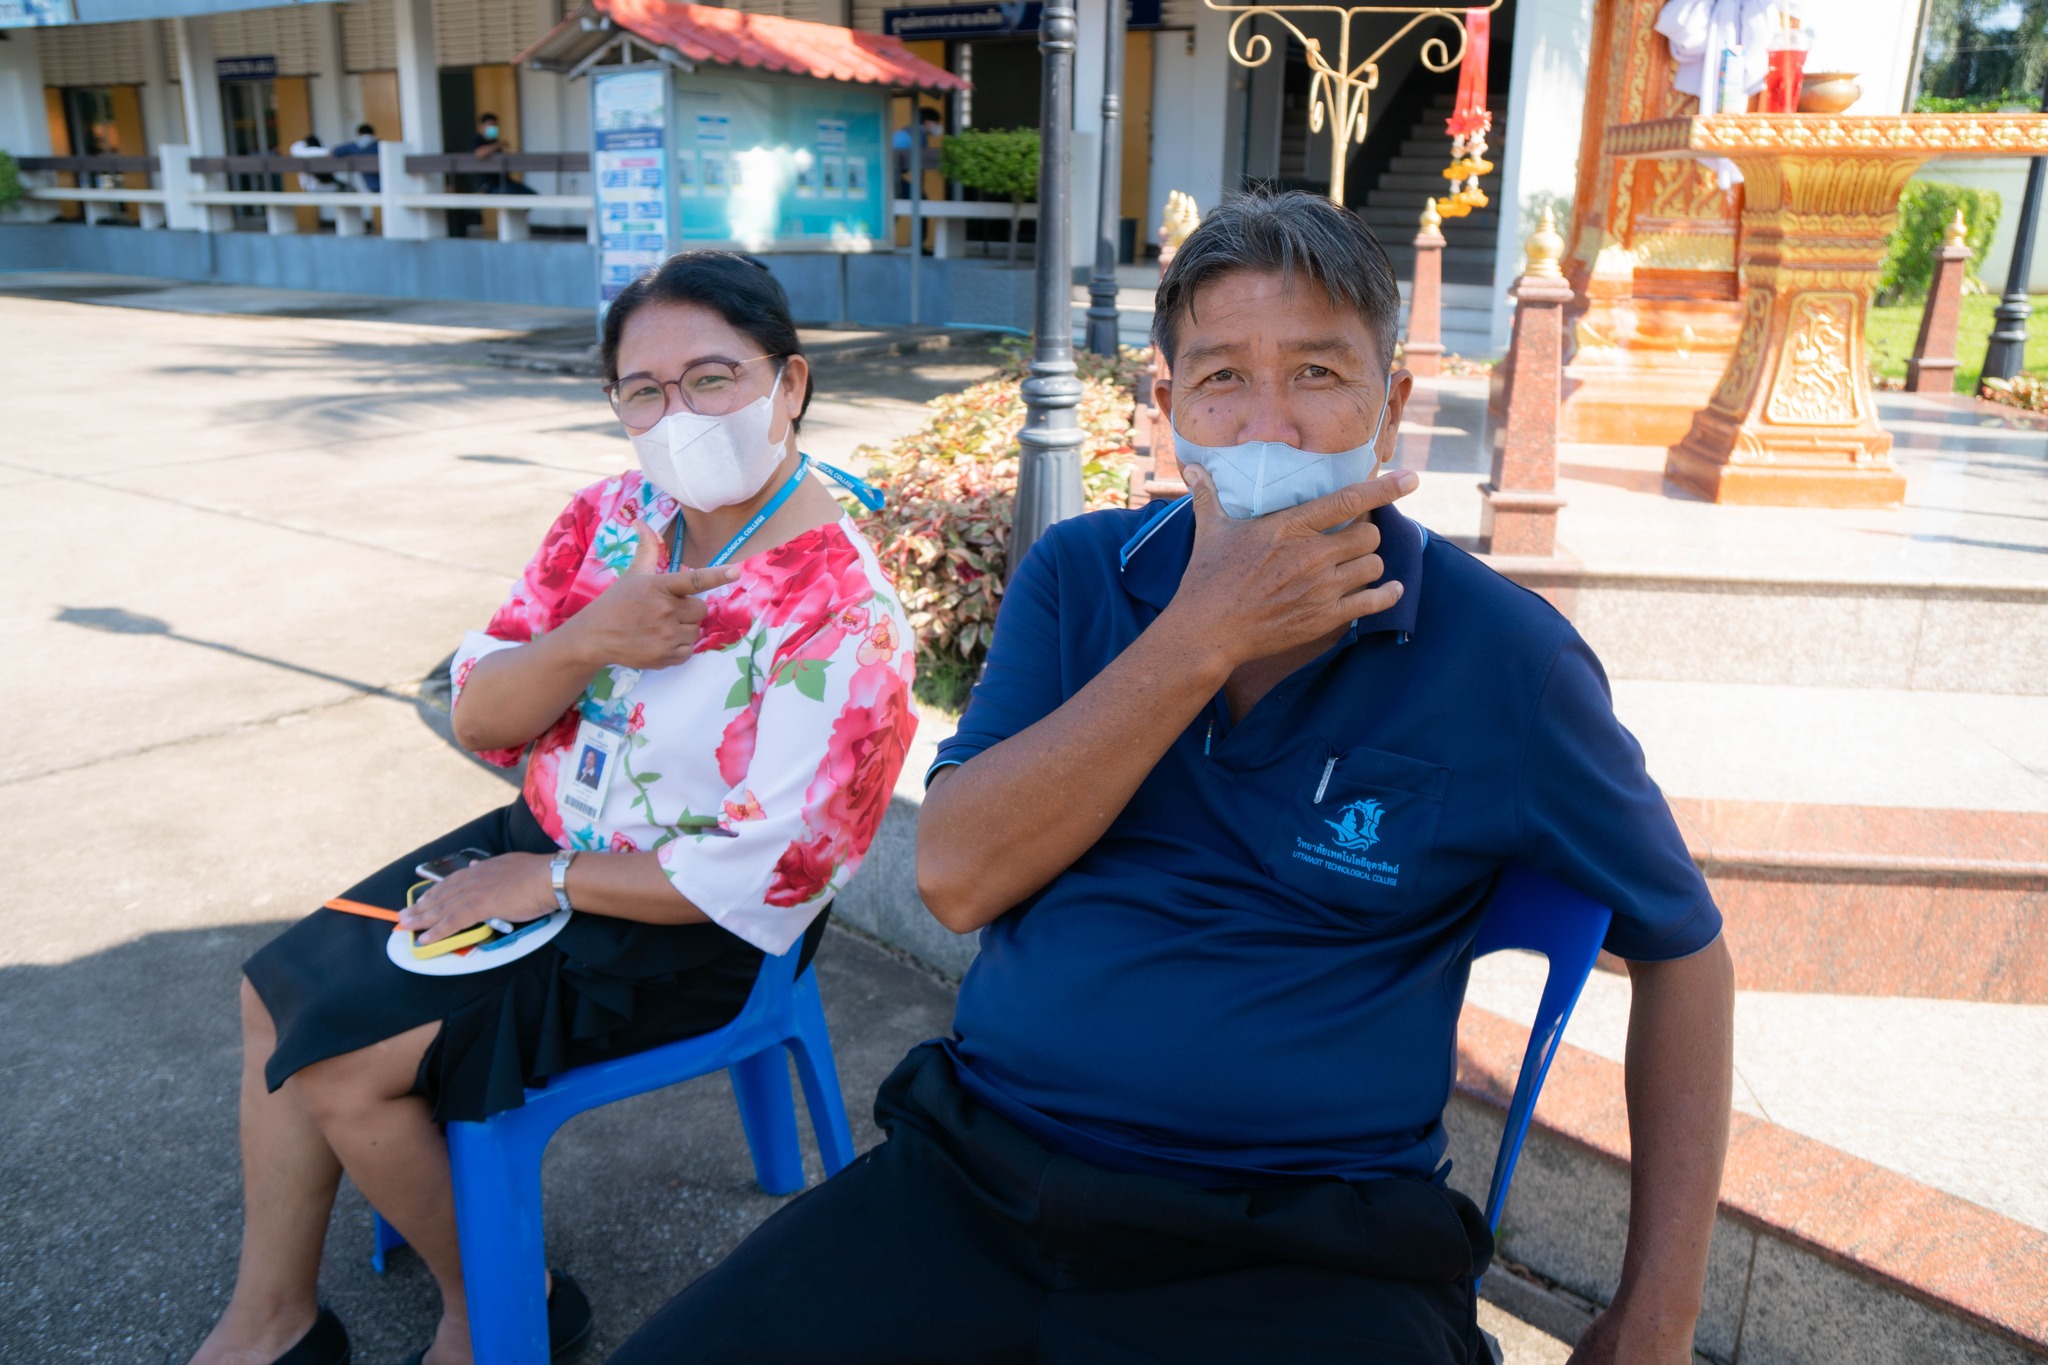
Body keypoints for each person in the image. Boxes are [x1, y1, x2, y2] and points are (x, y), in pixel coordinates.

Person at [610, 192, 1736, 1365]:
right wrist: (1200, 637)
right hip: (980, 1175)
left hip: (1306, 1244)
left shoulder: (1504, 657)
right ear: (1168, 409)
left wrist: (1655, 1316)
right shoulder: (1083, 579)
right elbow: (951, 877)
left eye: (1316, 374)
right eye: (1219, 382)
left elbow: (1683, 949)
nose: (1269, 428)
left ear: (1390, 403)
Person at [189, 251, 918, 1365]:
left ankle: (502, 1308)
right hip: (545, 839)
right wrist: (588, 638)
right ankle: (269, 1318)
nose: (677, 414)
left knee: (343, 1065)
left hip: (684, 920)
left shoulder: (842, 613)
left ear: (791, 382)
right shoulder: (612, 515)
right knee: (273, 992)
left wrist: (547, 879)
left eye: (713, 377)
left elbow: (766, 871)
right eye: (644, 391)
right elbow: (482, 714)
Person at [330, 121, 380, 193]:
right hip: (387, 182)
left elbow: (335, 152)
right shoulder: (380, 145)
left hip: (371, 184)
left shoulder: (354, 147)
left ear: (359, 134)